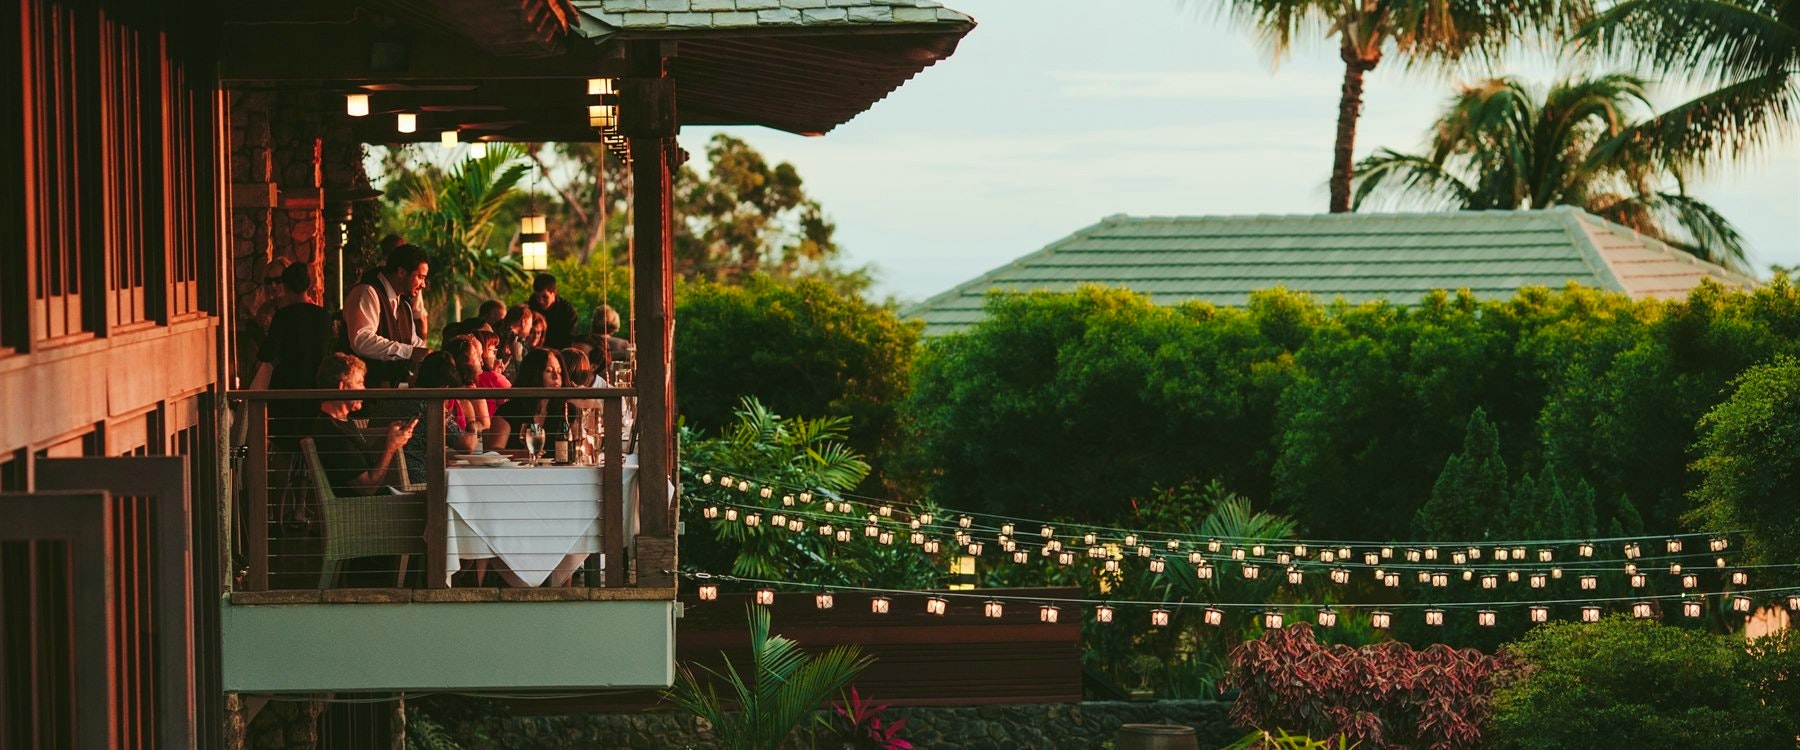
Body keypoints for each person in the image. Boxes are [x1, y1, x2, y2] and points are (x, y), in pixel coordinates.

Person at [305, 354, 415, 496]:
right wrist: (390, 447)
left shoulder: (341, 423)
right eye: (360, 382)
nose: (364, 389)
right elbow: (367, 487)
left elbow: (359, 462)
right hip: (366, 509)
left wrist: (390, 439)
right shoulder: (333, 432)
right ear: (343, 387)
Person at [249, 263, 334, 442]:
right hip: (316, 387)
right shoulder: (324, 316)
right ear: (308, 284)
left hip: (286, 387)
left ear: (286, 287)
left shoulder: (283, 316)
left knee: (284, 442)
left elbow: (267, 354)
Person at [344, 243, 431, 386]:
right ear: (401, 272)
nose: (423, 285)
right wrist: (409, 352)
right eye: (420, 277)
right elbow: (361, 339)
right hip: (363, 392)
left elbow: (413, 341)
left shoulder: (404, 304)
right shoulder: (367, 293)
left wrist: (433, 356)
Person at [492, 348, 569, 451]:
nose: (556, 377)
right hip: (518, 467)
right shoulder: (509, 411)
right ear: (533, 374)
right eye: (549, 371)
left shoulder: (567, 411)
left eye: (559, 372)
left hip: (559, 467)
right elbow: (493, 451)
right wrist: (520, 455)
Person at [528, 273, 579, 349]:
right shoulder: (530, 308)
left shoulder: (568, 312)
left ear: (554, 292)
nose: (540, 301)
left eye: (545, 297)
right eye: (537, 297)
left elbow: (571, 340)